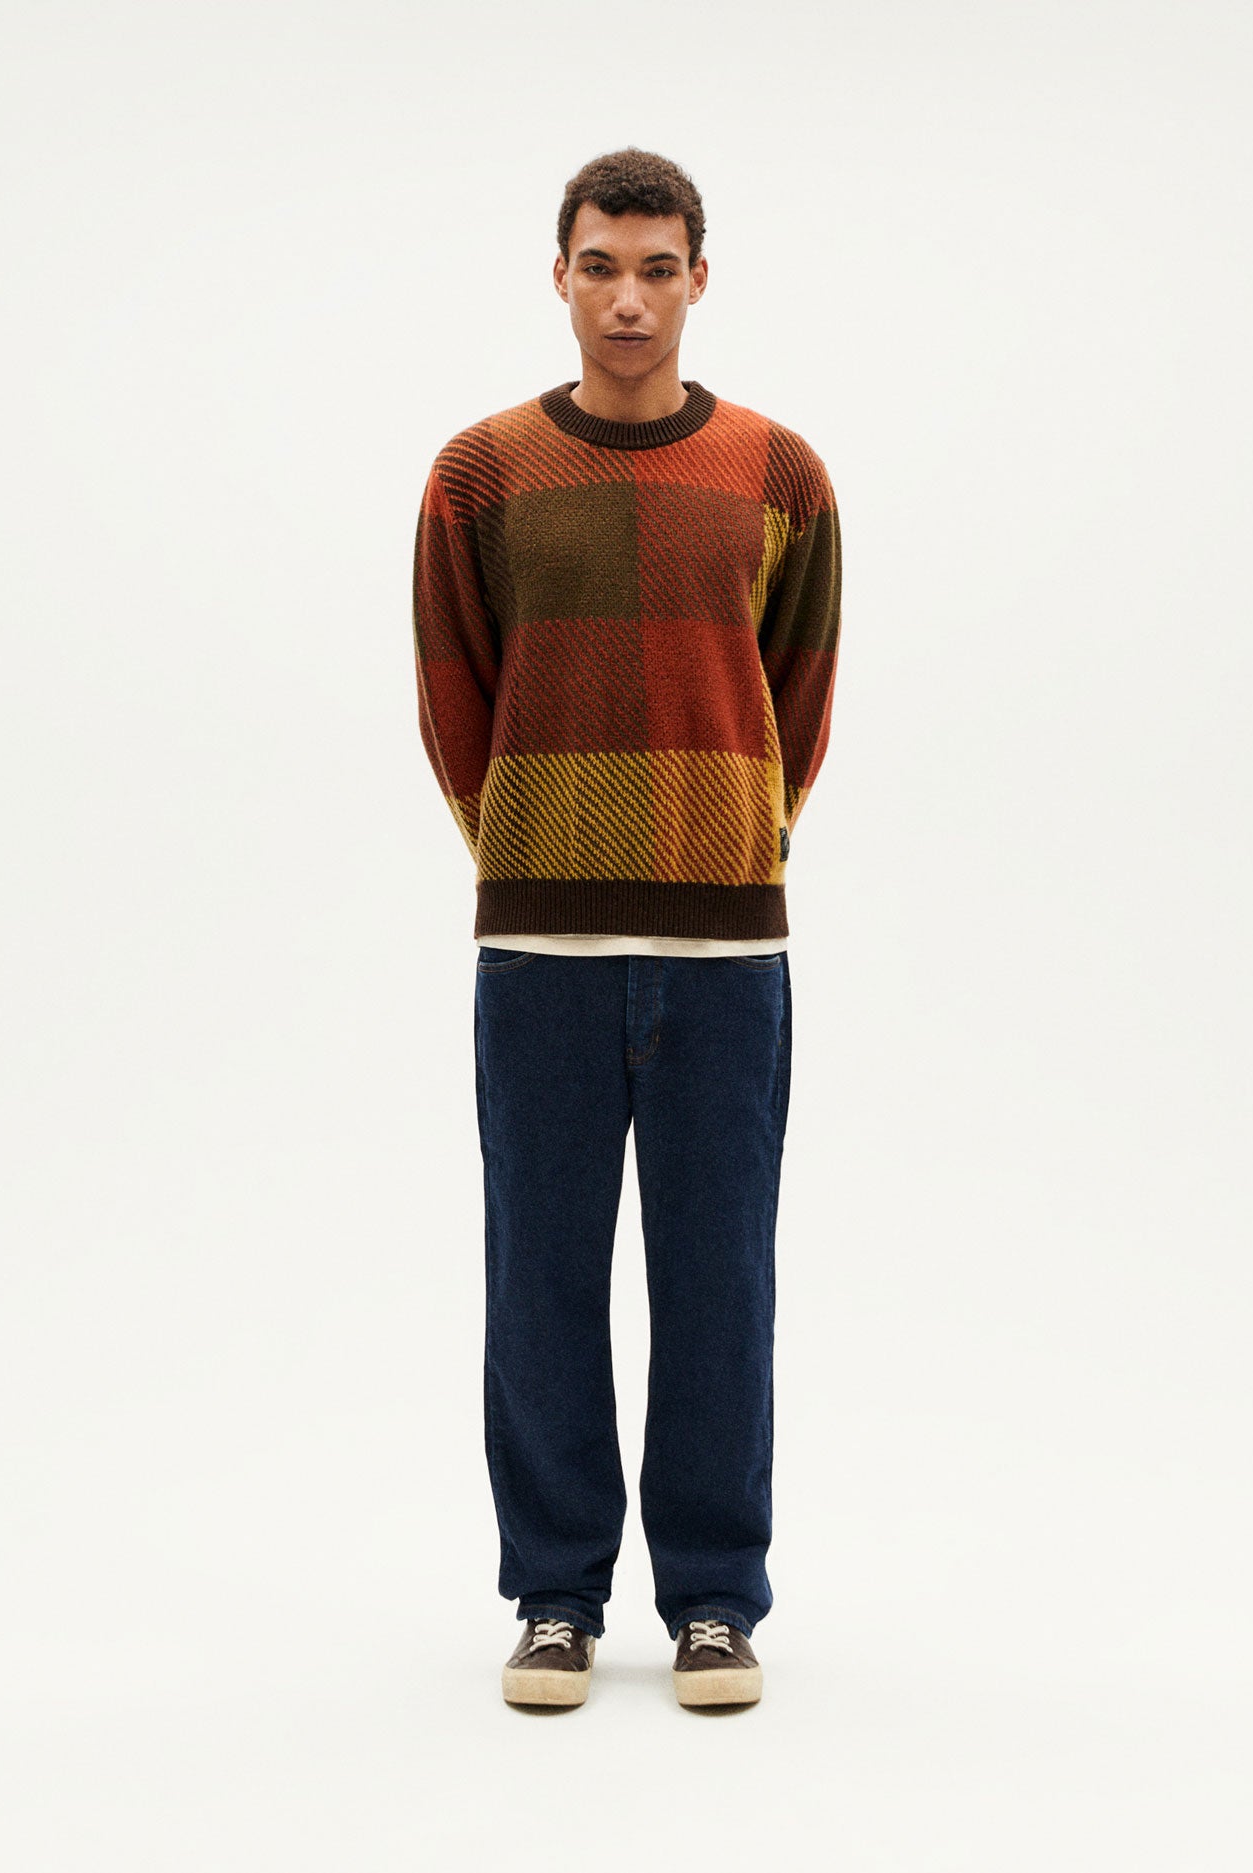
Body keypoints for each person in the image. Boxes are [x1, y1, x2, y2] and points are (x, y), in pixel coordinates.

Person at [411, 146, 842, 1710]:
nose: (630, 298)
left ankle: (716, 1601)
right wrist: (533, 848)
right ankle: (555, 1596)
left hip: (728, 953)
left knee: (722, 1279)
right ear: (561, 276)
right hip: (540, 954)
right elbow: (454, 695)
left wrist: (733, 838)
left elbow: (799, 696)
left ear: (699, 281)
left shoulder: (781, 475)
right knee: (539, 1276)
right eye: (602, 265)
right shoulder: (480, 475)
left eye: (659, 268)